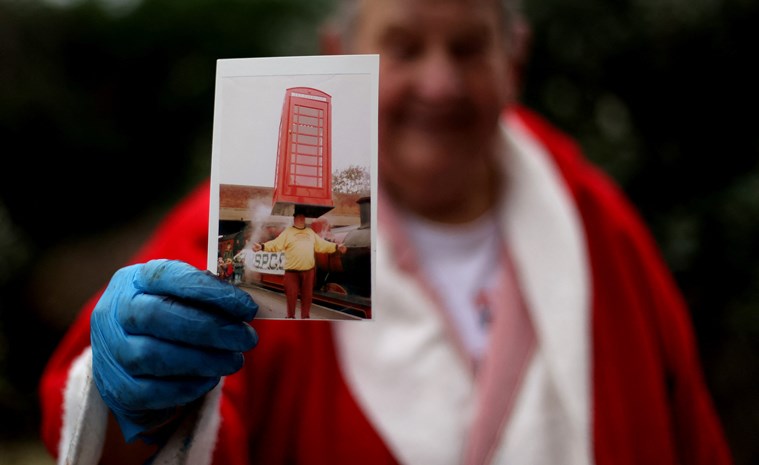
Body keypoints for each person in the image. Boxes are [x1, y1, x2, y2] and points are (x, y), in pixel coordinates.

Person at [38, 0, 733, 464]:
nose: (439, 84)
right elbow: (127, 434)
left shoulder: (596, 225)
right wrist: (136, 391)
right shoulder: (253, 226)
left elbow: (689, 433)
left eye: (467, 49)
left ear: (513, 61)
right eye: (403, 49)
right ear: (340, 53)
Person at [252, 208, 347, 319]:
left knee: (307, 296)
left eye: (303, 217)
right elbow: (275, 244)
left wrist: (336, 247)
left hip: (308, 271)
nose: (301, 218)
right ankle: (290, 317)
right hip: (292, 272)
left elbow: (322, 244)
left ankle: (305, 317)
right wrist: (262, 246)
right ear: (295, 218)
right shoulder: (288, 233)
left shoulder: (310, 232)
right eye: (299, 216)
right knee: (291, 296)